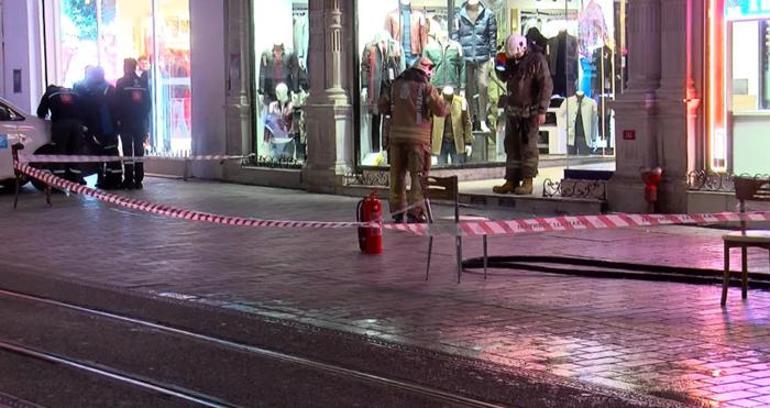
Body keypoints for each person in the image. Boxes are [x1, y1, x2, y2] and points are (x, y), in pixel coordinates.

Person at [378, 58, 449, 223]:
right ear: (426, 70)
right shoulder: (426, 87)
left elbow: (382, 106)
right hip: (418, 140)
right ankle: (415, 212)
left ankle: (397, 211)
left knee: (397, 176)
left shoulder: (395, 85)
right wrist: (447, 105)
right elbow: (439, 109)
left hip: (396, 139)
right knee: (418, 177)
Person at [492, 34, 553, 195]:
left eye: (517, 54)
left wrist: (542, 110)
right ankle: (511, 180)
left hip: (529, 113)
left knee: (528, 148)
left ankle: (528, 180)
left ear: (523, 47)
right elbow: (504, 77)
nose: (516, 57)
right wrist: (499, 65)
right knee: (511, 146)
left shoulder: (537, 60)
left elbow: (546, 85)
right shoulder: (513, 60)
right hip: (513, 112)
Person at [79, 66, 122, 190]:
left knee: (106, 153)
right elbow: (117, 109)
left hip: (102, 128)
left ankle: (110, 179)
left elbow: (90, 111)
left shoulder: (95, 91)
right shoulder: (109, 89)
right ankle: (112, 178)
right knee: (110, 153)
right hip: (108, 127)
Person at [36, 84, 86, 184]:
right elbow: (84, 108)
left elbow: (41, 112)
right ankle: (76, 179)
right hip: (77, 125)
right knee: (75, 150)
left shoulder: (49, 93)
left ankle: (59, 181)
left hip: (60, 125)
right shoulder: (72, 92)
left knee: (59, 151)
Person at [115, 58, 151, 189]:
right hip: (140, 122)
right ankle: (139, 180)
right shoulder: (142, 83)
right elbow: (148, 103)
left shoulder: (121, 82)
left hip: (126, 122)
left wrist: (118, 118)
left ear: (125, 67)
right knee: (139, 150)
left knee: (127, 150)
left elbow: (117, 103)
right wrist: (143, 118)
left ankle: (129, 179)